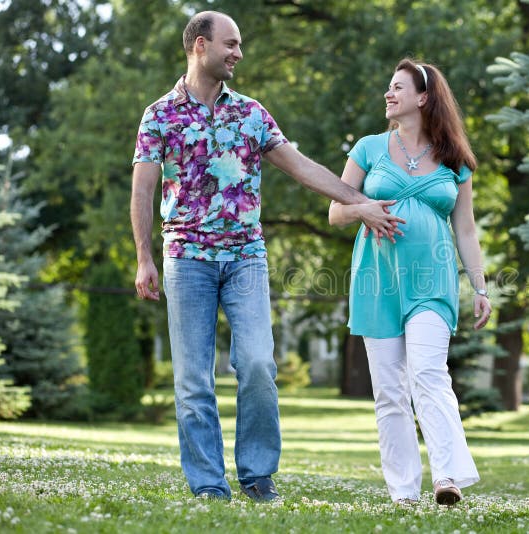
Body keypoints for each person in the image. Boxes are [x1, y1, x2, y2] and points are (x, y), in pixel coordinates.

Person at [130, 10, 402, 502]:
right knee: (193, 379)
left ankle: (257, 476)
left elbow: (301, 167)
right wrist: (143, 256)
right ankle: (209, 486)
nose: (238, 53)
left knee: (257, 365)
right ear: (199, 46)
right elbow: (143, 189)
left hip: (245, 258)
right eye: (230, 44)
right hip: (186, 256)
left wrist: (357, 204)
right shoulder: (159, 115)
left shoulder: (251, 113)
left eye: (240, 45)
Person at [328, 59, 493, 506]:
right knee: (389, 392)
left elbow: (466, 229)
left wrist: (479, 287)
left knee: (427, 373)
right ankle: (403, 492)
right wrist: (362, 209)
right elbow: (336, 211)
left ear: (423, 97)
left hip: (432, 279)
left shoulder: (455, 159)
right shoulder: (367, 148)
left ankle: (447, 477)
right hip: (376, 278)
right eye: (388, 86)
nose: (388, 93)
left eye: (397, 87)